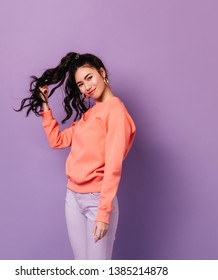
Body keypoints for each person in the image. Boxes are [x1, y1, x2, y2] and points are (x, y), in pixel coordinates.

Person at [15, 52, 136, 259]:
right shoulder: (90, 114)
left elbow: (114, 166)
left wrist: (103, 214)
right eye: (80, 84)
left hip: (97, 201)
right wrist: (45, 104)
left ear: (102, 73)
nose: (87, 87)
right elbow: (58, 140)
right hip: (73, 197)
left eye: (89, 77)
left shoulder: (115, 112)